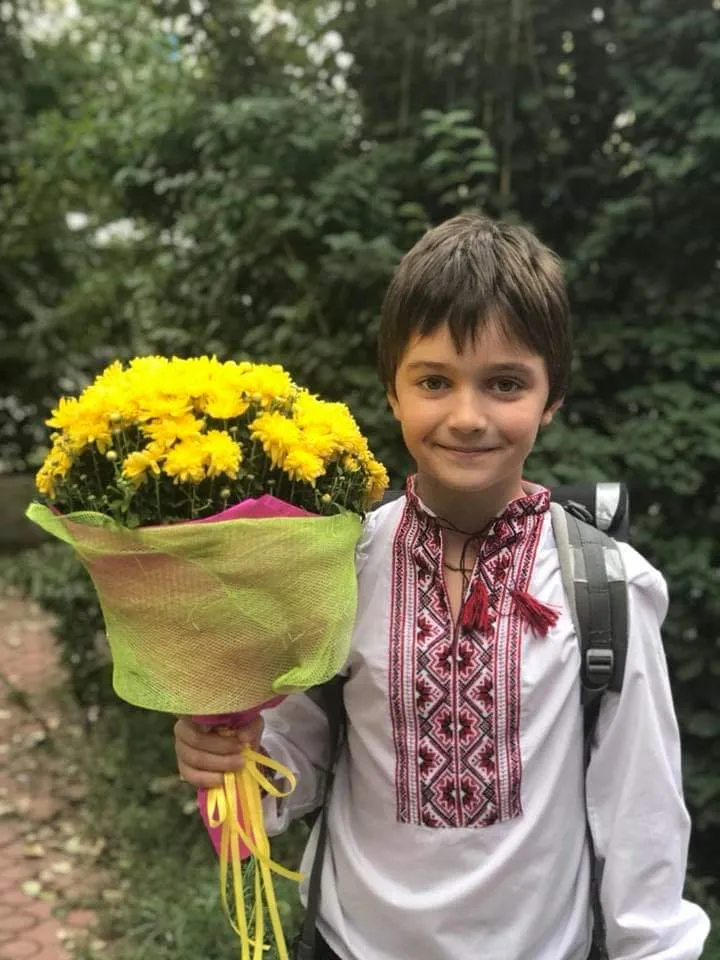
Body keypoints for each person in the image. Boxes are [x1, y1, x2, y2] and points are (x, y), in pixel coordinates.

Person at [174, 213, 710, 960]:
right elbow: (294, 763)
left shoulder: (606, 588)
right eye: (434, 381)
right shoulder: (339, 565)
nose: (467, 417)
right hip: (350, 945)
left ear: (552, 397)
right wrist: (232, 758)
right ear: (392, 391)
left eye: (505, 384)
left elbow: (642, 811)